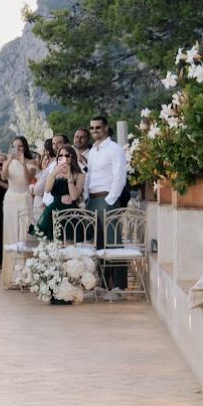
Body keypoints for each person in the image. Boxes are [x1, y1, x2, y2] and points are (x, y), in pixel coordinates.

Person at [85, 113, 130, 288]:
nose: (94, 130)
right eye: (92, 128)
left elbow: (120, 177)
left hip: (107, 199)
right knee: (98, 244)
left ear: (105, 128)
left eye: (98, 127)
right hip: (92, 200)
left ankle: (119, 285)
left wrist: (111, 200)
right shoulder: (92, 152)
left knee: (113, 242)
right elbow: (89, 177)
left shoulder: (114, 149)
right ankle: (104, 284)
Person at [1, 134, 35, 286]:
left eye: (20, 146)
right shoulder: (8, 162)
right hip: (10, 200)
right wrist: (8, 162)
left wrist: (22, 163)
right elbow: (3, 177)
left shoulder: (31, 161)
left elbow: (29, 180)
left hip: (25, 199)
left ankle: (26, 275)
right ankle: (13, 276)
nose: (17, 148)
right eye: (14, 146)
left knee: (24, 235)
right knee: (11, 235)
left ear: (25, 147)